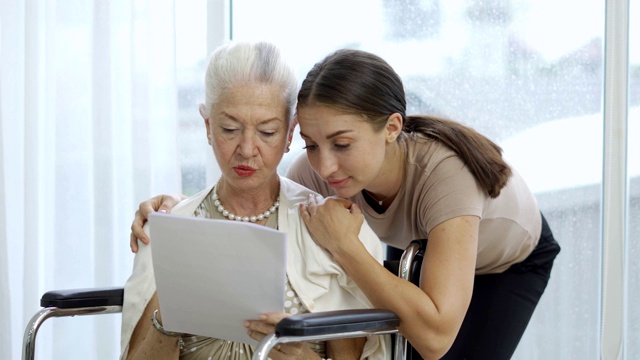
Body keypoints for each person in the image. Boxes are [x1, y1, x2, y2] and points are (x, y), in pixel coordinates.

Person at [130, 48, 561, 360]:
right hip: (414, 242)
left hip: (503, 263)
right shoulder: (324, 167)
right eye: (312, 144)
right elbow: (254, 185)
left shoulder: (446, 177)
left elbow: (435, 339)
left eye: (341, 143)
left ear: (392, 128)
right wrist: (173, 209)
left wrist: (346, 247)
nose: (325, 165)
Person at [121, 42, 390, 360]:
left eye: (267, 132)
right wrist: (172, 307)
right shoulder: (167, 226)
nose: (247, 150)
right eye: (229, 129)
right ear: (208, 126)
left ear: (291, 133)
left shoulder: (332, 229)